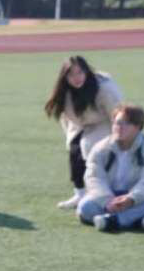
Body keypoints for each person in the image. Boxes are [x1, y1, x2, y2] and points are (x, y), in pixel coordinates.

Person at [78, 103, 144, 233]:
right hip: (110, 197)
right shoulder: (100, 148)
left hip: (137, 199)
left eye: (126, 123)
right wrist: (107, 201)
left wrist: (131, 199)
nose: (120, 127)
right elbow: (94, 178)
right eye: (117, 123)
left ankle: (114, 221)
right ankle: (138, 219)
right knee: (84, 207)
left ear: (138, 127)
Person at [44, 55, 123, 210]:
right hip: (80, 124)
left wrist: (119, 137)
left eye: (80, 72)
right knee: (75, 150)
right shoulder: (64, 92)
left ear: (86, 72)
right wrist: (71, 139)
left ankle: (103, 192)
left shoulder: (104, 88)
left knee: (93, 151)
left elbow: (117, 114)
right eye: (71, 74)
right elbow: (65, 118)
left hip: (104, 122)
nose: (76, 78)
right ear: (65, 77)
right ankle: (79, 194)